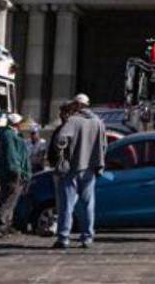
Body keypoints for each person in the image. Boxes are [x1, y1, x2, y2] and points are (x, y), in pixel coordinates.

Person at [50, 93, 105, 250]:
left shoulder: (73, 121)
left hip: (72, 169)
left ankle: (63, 237)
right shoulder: (98, 122)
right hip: (90, 169)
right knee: (88, 205)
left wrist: (63, 155)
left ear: (77, 105)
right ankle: (87, 237)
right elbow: (103, 145)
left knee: (67, 205)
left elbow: (60, 139)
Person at [0, 112, 30, 237]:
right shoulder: (8, 135)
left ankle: (4, 225)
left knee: (8, 199)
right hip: (12, 174)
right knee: (8, 200)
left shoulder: (11, 134)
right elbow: (12, 155)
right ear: (16, 124)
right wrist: (17, 171)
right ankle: (0, 226)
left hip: (12, 172)